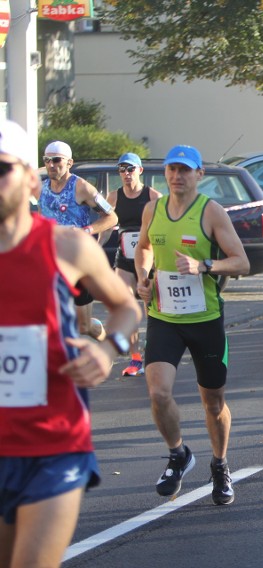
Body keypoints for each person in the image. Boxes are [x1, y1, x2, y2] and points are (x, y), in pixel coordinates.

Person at [0, 119, 141, 568]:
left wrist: (106, 348)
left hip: (52, 445)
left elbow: (126, 308)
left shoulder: (67, 248)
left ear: (28, 178)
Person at [135, 145, 250, 505]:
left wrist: (204, 267)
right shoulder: (152, 209)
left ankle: (220, 463)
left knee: (213, 404)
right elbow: (143, 248)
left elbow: (241, 262)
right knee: (158, 392)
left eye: (185, 170)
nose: (177, 176)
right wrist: (143, 277)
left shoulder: (211, 212)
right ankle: (178, 454)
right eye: (172, 169)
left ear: (199, 175)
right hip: (164, 317)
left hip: (204, 319)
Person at [37, 140, 119, 342]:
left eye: (57, 160)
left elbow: (112, 217)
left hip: (78, 261)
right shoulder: (41, 189)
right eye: (47, 160)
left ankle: (108, 343)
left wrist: (87, 230)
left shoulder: (81, 187)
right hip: (53, 261)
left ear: (69, 162)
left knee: (84, 326)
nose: (51, 165)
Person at [105, 152, 162, 377]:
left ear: (140, 170)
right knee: (125, 305)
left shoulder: (153, 196)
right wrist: (96, 244)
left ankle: (155, 351)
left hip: (149, 257)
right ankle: (135, 357)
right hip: (124, 257)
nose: (126, 174)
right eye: (122, 170)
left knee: (150, 305)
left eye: (130, 169)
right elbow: (108, 225)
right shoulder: (114, 197)